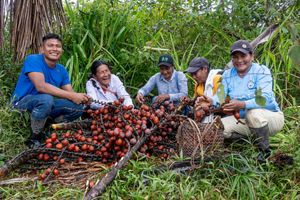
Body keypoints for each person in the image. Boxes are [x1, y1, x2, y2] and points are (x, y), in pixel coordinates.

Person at [208, 40, 284, 162]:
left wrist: (242, 104)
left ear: (252, 56)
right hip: (243, 120)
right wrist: (209, 101)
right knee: (218, 128)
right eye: (235, 57)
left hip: (270, 118)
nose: (239, 60)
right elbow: (220, 97)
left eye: (243, 56)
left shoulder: (261, 71)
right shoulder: (227, 75)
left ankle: (265, 153)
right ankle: (250, 143)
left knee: (253, 114)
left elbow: (266, 98)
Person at [12, 33, 89, 148]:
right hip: (22, 105)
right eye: (50, 45)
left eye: (58, 46)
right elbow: (41, 86)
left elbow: (71, 94)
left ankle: (48, 127)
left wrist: (81, 98)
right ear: (42, 49)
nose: (54, 49)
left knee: (76, 107)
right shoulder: (33, 59)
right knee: (46, 99)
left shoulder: (61, 70)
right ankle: (34, 137)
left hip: (45, 105)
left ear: (61, 50)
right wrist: (72, 96)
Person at [185, 57, 222, 122]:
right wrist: (190, 101)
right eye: (191, 74)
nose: (193, 77)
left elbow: (223, 103)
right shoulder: (198, 84)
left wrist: (207, 109)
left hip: (221, 115)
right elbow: (196, 99)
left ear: (205, 69)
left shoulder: (218, 79)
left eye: (195, 73)